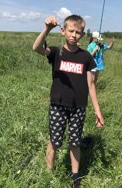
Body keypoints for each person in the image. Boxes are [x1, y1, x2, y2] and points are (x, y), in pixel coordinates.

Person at [32, 15, 104, 188]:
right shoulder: (57, 52)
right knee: (55, 141)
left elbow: (91, 85)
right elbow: (36, 48)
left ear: (82, 35)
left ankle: (75, 178)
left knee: (74, 143)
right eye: (70, 31)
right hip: (58, 106)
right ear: (63, 31)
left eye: (78, 32)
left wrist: (97, 110)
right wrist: (47, 29)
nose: (74, 35)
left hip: (78, 108)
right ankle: (48, 174)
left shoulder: (86, 57)